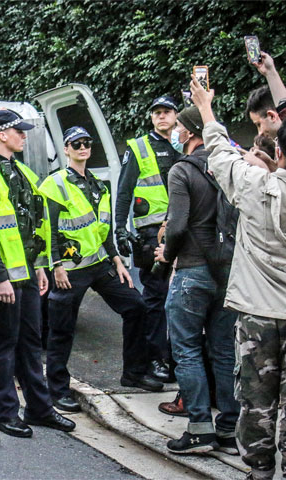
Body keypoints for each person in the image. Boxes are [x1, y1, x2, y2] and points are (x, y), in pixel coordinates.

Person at [191, 76, 286, 480]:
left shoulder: (252, 185)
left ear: (279, 149)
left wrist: (206, 105)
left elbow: (219, 152)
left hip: (257, 314)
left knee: (255, 401)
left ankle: (258, 471)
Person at [0, 110, 76, 437]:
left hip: (27, 273)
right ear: (1, 134)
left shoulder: (23, 172)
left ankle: (39, 409)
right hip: (1, 277)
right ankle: (3, 413)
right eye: (18, 131)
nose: (24, 136)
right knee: (1, 344)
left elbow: (34, 225)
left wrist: (41, 266)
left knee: (30, 342)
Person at [40, 126, 162, 408]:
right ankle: (56, 391)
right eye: (76, 144)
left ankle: (133, 373)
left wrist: (116, 258)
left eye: (87, 143)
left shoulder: (98, 185)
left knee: (136, 307)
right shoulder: (55, 183)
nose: (83, 147)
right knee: (61, 329)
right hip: (69, 269)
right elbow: (48, 229)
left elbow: (103, 227)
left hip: (98, 264)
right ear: (66, 149)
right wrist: (55, 264)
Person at [152, 107, 239, 455]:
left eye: (179, 128)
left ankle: (200, 428)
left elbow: (175, 225)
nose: (175, 132)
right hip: (228, 270)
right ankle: (229, 431)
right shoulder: (231, 167)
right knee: (224, 350)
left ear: (188, 133)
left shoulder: (182, 170)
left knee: (186, 350)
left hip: (191, 270)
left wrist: (166, 257)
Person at [115, 95, 181, 381]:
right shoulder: (139, 147)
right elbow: (124, 191)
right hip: (152, 232)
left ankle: (177, 359)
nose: (161, 117)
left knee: (181, 298)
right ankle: (156, 358)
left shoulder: (184, 143)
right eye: (157, 113)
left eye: (166, 112)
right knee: (156, 298)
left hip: (183, 229)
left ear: (177, 116)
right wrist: (119, 227)